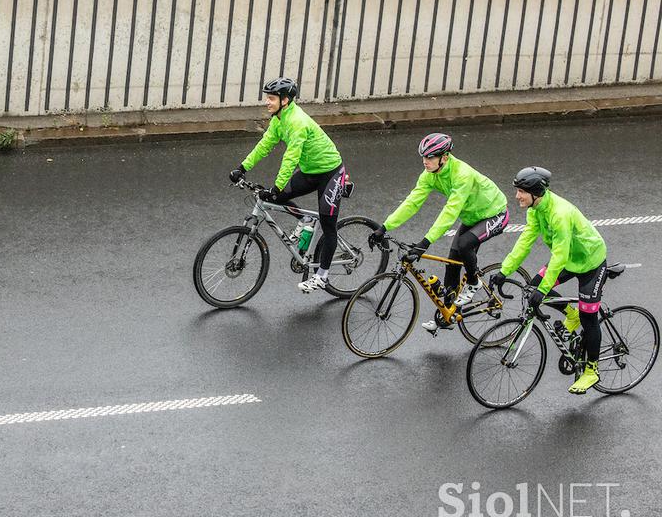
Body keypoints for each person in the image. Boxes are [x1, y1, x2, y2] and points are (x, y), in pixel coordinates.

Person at [368, 133, 509, 332]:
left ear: (444, 157)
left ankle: (474, 282)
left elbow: (450, 212)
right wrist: (384, 227)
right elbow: (411, 203)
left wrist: (424, 243)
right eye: (423, 157)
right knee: (452, 263)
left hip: (494, 213)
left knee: (465, 244)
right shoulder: (429, 174)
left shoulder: (462, 174)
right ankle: (448, 314)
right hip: (471, 218)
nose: (425, 161)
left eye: (430, 157)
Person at [489, 167, 607, 394]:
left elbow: (559, 256)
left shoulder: (559, 213)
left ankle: (591, 371)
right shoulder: (535, 209)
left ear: (536, 192)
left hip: (590, 262)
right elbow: (525, 241)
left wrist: (543, 291)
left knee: (588, 317)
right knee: (532, 286)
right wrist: (505, 271)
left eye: (521, 191)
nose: (517, 196)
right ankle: (570, 315)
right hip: (569, 261)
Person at [229, 77, 348, 294]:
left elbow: (290, 158)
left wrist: (277, 185)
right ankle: (305, 220)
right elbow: (264, 146)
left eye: (271, 98)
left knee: (328, 224)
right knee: (274, 198)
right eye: (267, 97)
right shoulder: (278, 120)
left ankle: (322, 276)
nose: (267, 101)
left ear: (285, 100)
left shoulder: (297, 122)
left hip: (330, 172)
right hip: (310, 171)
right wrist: (242, 168)